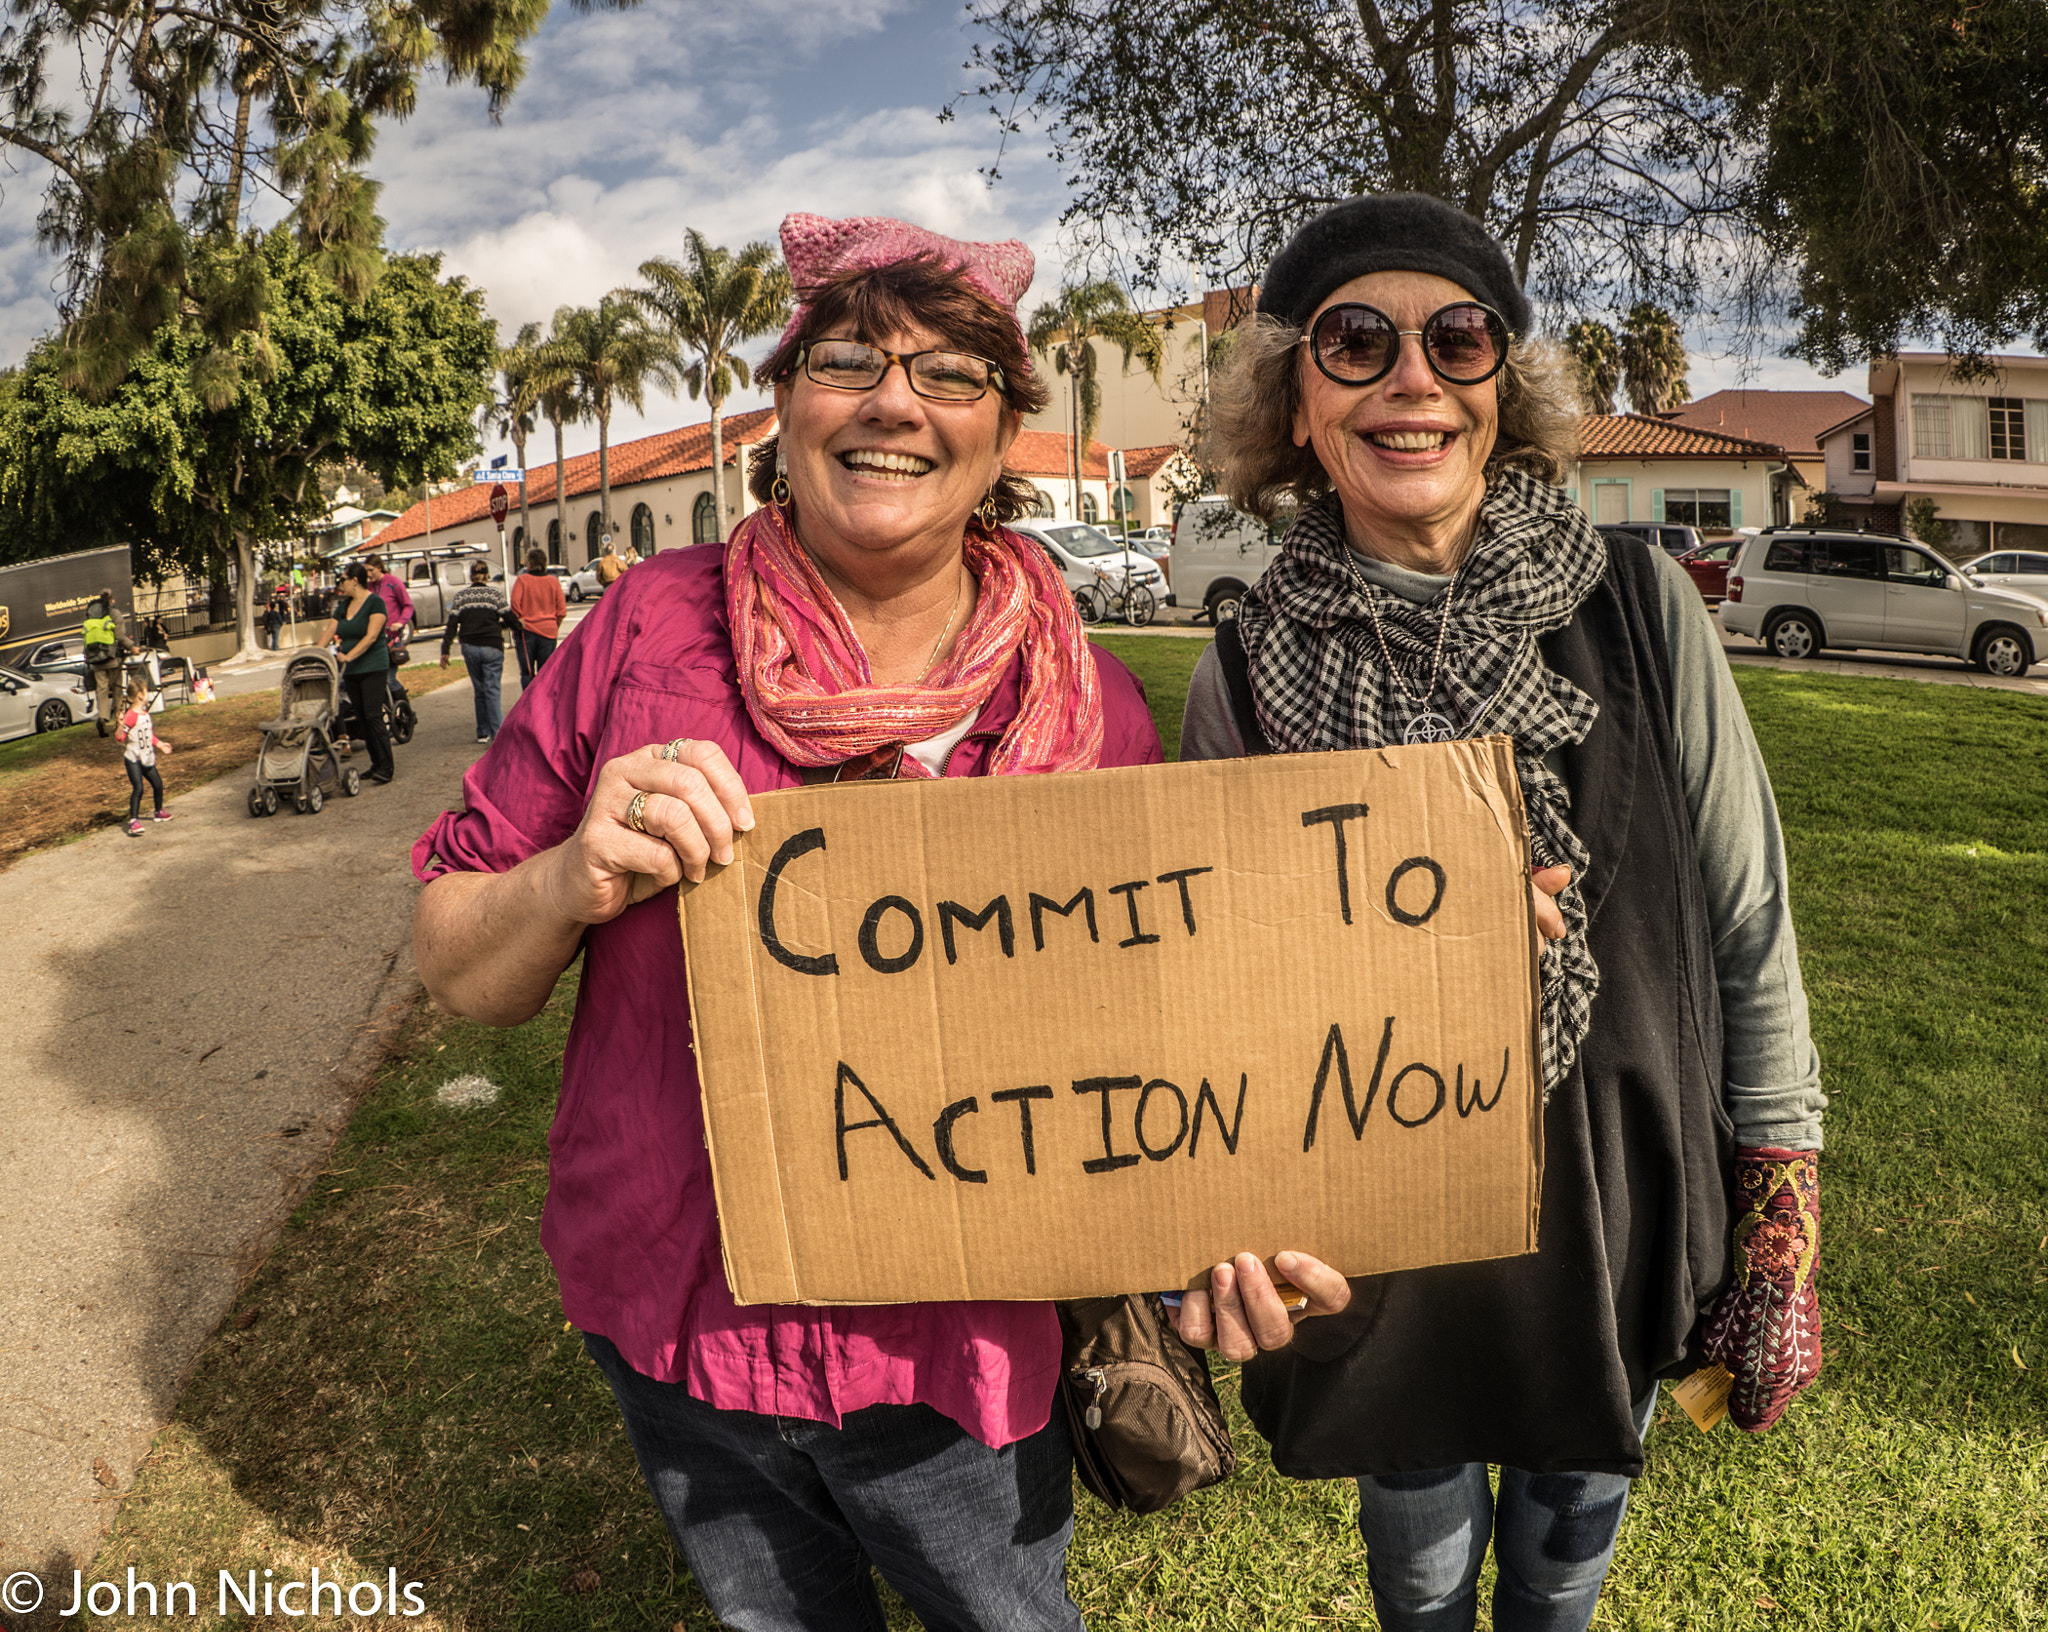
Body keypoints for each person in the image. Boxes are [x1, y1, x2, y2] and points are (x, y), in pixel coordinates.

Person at [410, 211, 1163, 1632]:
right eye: (849, 360)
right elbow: (459, 968)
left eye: (950, 374)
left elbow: (1177, 1042)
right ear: (785, 403)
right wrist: (572, 871)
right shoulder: (641, 628)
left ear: (1006, 436)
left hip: (962, 1372)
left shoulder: (1094, 713)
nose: (893, 400)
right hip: (680, 1333)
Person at [1173, 194, 1826, 1632]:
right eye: (1358, 342)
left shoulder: (1642, 604)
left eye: (1457, 339)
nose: (1414, 377)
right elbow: (1214, 987)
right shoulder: (1244, 667)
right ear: (1292, 405)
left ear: (1499, 388)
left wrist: (1780, 1211)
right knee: (1419, 1570)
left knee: (1566, 1545)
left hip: (1618, 1178)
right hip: (1382, 1219)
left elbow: (1747, 915)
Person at [321, 562, 396, 784]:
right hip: (351, 670)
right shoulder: (343, 607)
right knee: (362, 718)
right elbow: (330, 630)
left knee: (373, 715)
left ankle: (387, 766)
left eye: (342, 580)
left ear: (355, 580)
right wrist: (314, 653)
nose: (340, 585)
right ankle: (375, 764)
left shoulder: (376, 603)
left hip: (373, 666)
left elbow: (372, 636)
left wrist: (349, 655)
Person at [440, 558, 512, 742]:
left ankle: (482, 732)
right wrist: (517, 626)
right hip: (492, 647)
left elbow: (452, 625)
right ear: (487, 576)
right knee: (492, 690)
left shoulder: (461, 597)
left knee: (480, 689)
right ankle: (498, 734)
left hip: (470, 647)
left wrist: (445, 650)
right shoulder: (495, 595)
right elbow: (510, 619)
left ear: (471, 577)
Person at [116, 672, 173, 835]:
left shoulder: (145, 715)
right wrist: (120, 726)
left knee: (158, 784)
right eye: (146, 692)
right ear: (140, 695)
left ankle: (158, 811)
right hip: (133, 759)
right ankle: (133, 821)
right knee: (138, 788)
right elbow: (120, 738)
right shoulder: (131, 716)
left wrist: (160, 744)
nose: (148, 694)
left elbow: (149, 736)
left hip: (147, 757)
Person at [509, 547, 567, 669]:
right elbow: (561, 610)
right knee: (545, 673)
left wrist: (518, 619)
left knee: (527, 672)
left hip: (527, 629)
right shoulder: (553, 582)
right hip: (549, 631)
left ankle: (529, 688)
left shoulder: (522, 580)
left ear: (529, 563)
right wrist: (555, 625)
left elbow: (515, 603)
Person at [83, 589, 126, 737]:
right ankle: (119, 722)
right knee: (117, 689)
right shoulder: (114, 613)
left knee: (101, 690)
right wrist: (132, 646)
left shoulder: (92, 613)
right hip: (112, 658)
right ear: (111, 599)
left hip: (96, 660)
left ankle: (103, 718)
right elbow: (120, 636)